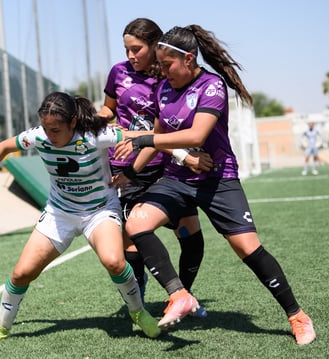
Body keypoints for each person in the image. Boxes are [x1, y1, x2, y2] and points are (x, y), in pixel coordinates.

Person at [114, 25, 316, 345]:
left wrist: (142, 139)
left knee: (247, 249)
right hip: (177, 179)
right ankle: (179, 295)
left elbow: (195, 135)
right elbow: (158, 139)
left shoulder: (212, 86)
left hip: (218, 180)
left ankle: (297, 315)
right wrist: (130, 173)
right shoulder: (164, 89)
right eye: (160, 66)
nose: (163, 72)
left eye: (168, 66)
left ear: (189, 60)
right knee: (136, 223)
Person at [0, 91, 161, 345]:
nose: (49, 135)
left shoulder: (96, 135)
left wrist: (181, 154)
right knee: (21, 273)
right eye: (45, 128)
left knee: (114, 262)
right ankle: (1, 327)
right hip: (60, 212)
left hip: (99, 210)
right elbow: (3, 147)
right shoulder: (39, 136)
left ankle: (138, 312)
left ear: (73, 123)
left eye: (55, 129)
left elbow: (147, 138)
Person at [98, 18, 211, 317]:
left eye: (137, 49)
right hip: (125, 167)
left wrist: (183, 156)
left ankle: (184, 295)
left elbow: (167, 130)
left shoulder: (170, 78)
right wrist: (99, 116)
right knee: (132, 242)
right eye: (126, 50)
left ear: (155, 46)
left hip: (164, 168)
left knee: (191, 237)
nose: (130, 56)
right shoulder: (118, 72)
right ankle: (142, 295)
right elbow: (109, 107)